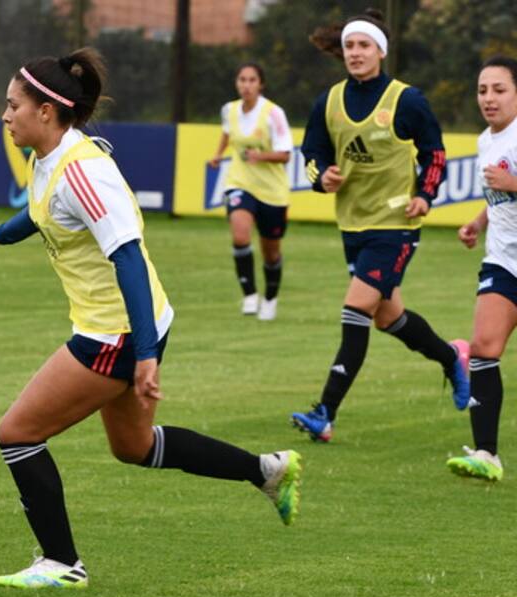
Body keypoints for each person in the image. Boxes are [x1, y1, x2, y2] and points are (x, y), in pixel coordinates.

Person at [0, 48, 302, 590]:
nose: (5, 115)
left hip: (115, 333)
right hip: (122, 327)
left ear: (46, 111)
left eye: (12, 105)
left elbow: (129, 258)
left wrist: (144, 354)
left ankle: (61, 563)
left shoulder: (85, 172)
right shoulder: (50, 159)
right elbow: (43, 210)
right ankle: (266, 470)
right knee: (134, 448)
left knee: (17, 433)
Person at [289, 9, 469, 443]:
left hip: (395, 225)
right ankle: (451, 358)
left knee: (356, 310)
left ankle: (325, 412)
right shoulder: (328, 101)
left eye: (364, 45)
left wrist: (425, 193)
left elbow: (435, 152)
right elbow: (311, 151)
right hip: (353, 224)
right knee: (389, 317)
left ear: (380, 52)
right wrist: (323, 174)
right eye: (350, 46)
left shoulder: (406, 100)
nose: (355, 53)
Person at [446, 56, 517, 482]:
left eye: (499, 89)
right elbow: (499, 198)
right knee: (484, 348)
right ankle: (487, 455)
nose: (488, 98)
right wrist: (477, 220)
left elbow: (508, 186)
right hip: (503, 260)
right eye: (482, 90)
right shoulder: (485, 141)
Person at [208, 62, 293, 320]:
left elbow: (286, 155)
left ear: (261, 84)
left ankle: (270, 297)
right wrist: (218, 154)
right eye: (242, 80)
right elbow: (226, 133)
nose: (246, 85)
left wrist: (261, 155)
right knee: (240, 234)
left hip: (272, 190)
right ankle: (249, 294)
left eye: (252, 80)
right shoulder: (229, 110)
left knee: (271, 251)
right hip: (240, 181)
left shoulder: (273, 113)